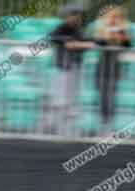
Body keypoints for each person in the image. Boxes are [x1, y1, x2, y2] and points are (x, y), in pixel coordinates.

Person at [46, 4, 97, 136]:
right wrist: (77, 44)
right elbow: (60, 40)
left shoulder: (78, 30)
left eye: (78, 15)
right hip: (62, 69)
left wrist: (86, 43)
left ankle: (65, 128)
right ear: (67, 16)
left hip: (74, 68)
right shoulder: (61, 28)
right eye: (74, 15)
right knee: (60, 98)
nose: (77, 17)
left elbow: (87, 43)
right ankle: (55, 126)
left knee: (71, 99)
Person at [94, 6, 132, 132]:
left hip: (114, 67)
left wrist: (121, 35)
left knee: (111, 95)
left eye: (116, 16)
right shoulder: (100, 28)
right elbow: (98, 42)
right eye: (111, 16)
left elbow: (128, 45)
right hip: (102, 66)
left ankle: (109, 125)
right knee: (102, 95)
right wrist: (108, 35)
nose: (114, 19)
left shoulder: (123, 29)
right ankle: (103, 123)